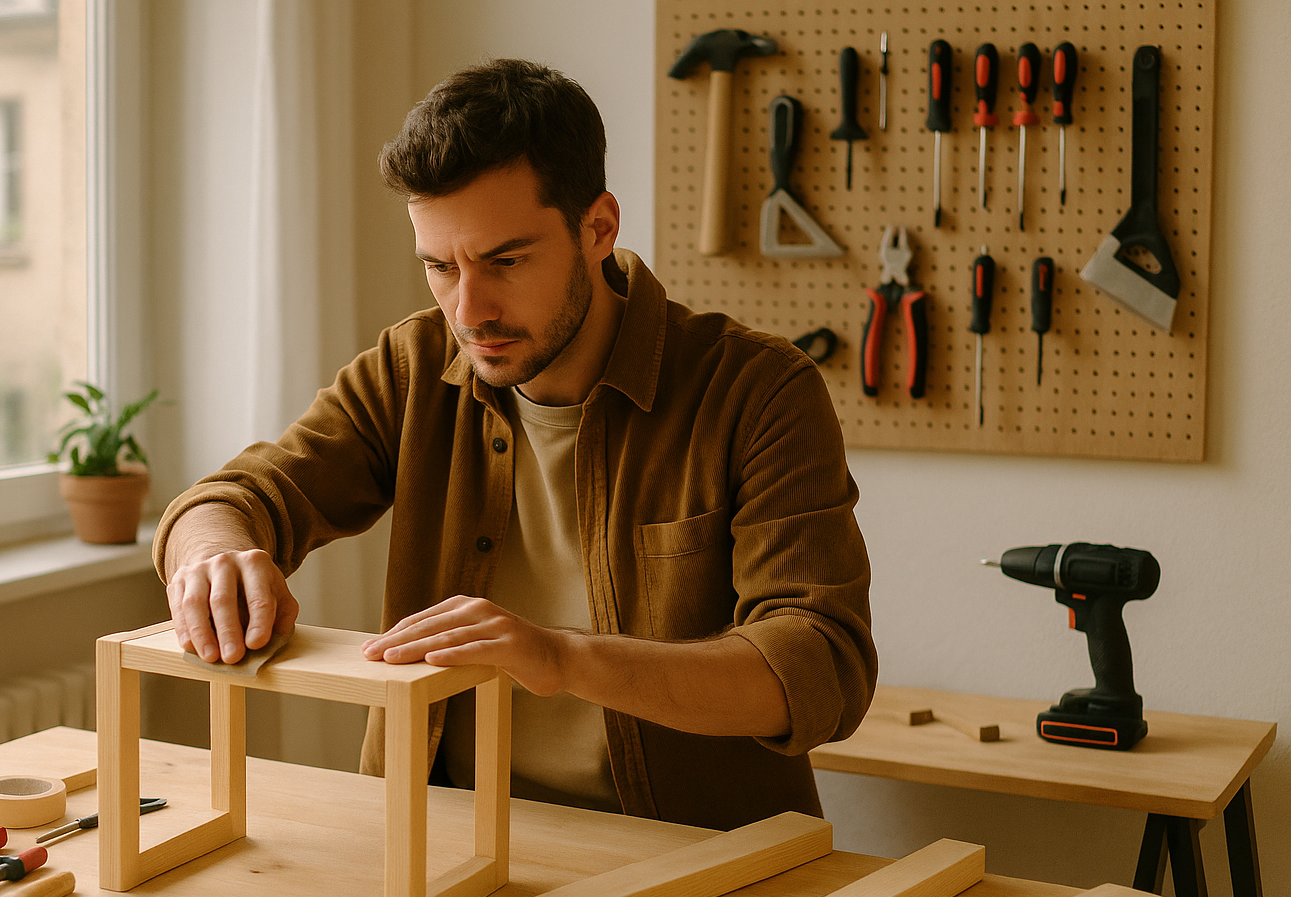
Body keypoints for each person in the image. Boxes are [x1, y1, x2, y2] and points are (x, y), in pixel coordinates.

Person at [154, 58, 875, 830]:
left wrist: (561, 659)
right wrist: (211, 555)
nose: (470, 310)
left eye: (505, 261)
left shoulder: (759, 390)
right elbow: (235, 498)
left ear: (598, 228)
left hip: (688, 859)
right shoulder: (413, 367)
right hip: (442, 842)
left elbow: (819, 666)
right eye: (439, 266)